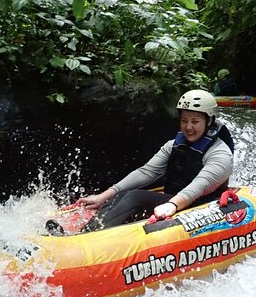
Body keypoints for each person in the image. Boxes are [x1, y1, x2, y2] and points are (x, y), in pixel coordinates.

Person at [75, 89, 234, 230]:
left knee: (136, 197)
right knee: (123, 194)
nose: (188, 127)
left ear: (209, 121)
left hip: (201, 206)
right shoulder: (173, 145)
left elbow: (201, 185)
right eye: (184, 120)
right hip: (174, 201)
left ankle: (84, 237)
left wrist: (172, 204)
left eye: (195, 121)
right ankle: (89, 230)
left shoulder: (220, 154)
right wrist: (103, 196)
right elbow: (146, 172)